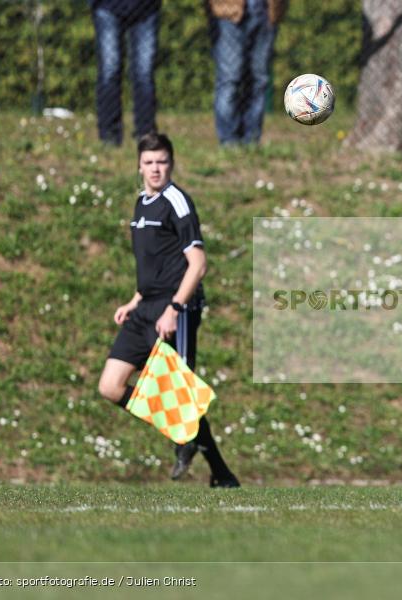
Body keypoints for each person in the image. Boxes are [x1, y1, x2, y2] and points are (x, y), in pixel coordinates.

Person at [97, 132, 240, 488]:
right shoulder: (140, 203)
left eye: (161, 162)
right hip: (145, 307)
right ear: (139, 166)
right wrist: (133, 300)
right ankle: (192, 446)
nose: (155, 169)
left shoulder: (177, 202)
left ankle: (219, 472)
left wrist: (174, 308)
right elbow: (155, 261)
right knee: (111, 387)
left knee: (179, 392)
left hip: (176, 308)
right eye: (148, 162)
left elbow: (198, 264)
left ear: (171, 164)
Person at [207, 0, 288, 145]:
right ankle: (228, 140)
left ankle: (251, 139)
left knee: (259, 79)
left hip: (267, 10)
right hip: (228, 9)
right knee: (230, 78)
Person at [90, 0, 161, 145]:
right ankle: (109, 134)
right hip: (107, 6)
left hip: (146, 9)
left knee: (144, 73)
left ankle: (145, 132)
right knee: (110, 70)